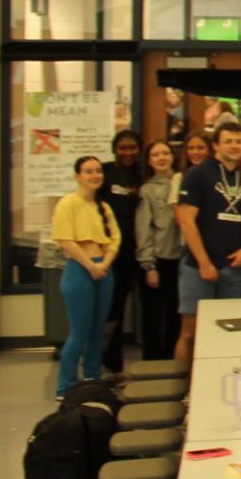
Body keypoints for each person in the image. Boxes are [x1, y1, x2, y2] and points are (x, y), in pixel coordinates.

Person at [174, 121, 241, 363]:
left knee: (229, 332)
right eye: (228, 141)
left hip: (233, 267)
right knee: (190, 332)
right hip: (198, 268)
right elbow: (186, 221)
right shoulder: (198, 174)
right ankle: (184, 391)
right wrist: (204, 262)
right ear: (215, 145)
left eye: (239, 141)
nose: (234, 146)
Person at [52, 155, 119, 398]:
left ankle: (92, 379)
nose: (94, 175)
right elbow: (65, 240)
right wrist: (90, 265)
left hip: (104, 270)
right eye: (88, 171)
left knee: (97, 330)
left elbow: (115, 239)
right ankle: (66, 386)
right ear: (77, 176)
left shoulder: (103, 207)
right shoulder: (68, 203)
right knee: (79, 332)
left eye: (98, 171)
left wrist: (105, 263)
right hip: (80, 270)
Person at [97, 130, 145, 372]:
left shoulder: (143, 175)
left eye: (133, 147)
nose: (128, 152)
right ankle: (110, 359)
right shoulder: (105, 173)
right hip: (114, 252)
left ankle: (152, 357)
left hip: (141, 250)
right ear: (115, 149)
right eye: (123, 148)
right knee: (114, 307)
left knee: (147, 305)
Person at [133, 139, 182, 361]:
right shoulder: (148, 190)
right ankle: (153, 360)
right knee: (153, 316)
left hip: (182, 258)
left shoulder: (184, 181)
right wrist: (149, 265)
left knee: (176, 314)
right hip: (158, 259)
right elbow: (144, 229)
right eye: (156, 155)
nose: (162, 158)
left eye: (165, 153)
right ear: (149, 161)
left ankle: (174, 359)